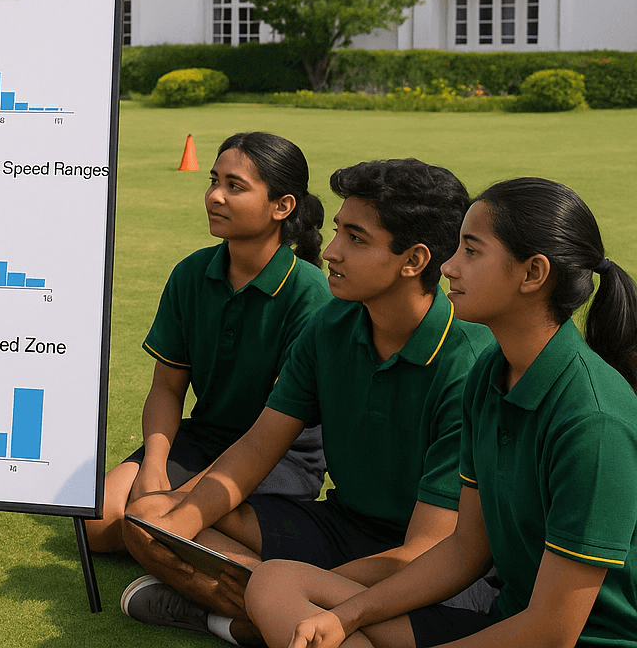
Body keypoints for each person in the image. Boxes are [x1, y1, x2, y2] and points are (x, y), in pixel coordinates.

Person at [248, 177, 637, 648]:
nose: (449, 266)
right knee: (276, 582)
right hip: (502, 625)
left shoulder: (593, 422)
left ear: (533, 274)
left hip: (568, 641)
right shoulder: (492, 373)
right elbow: (464, 550)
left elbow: (552, 631)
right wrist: (347, 616)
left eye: (471, 251)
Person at [121, 159, 496, 647]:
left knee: (284, 588)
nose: (332, 252)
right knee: (146, 519)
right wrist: (175, 529)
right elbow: (256, 449)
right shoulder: (330, 326)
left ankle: (233, 618)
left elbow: (428, 549)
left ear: (414, 260)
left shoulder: (470, 364)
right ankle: (265, 612)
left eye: (356, 239)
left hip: (427, 569)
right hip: (340, 527)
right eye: (338, 231)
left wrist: (294, 584)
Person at [85, 132, 331, 555]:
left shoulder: (309, 293)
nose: (215, 196)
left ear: (282, 206)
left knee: (154, 526)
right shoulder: (192, 273)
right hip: (204, 437)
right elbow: (166, 387)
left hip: (279, 455)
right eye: (213, 181)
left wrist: (183, 498)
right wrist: (155, 469)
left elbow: (273, 432)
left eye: (235, 186)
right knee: (100, 525)